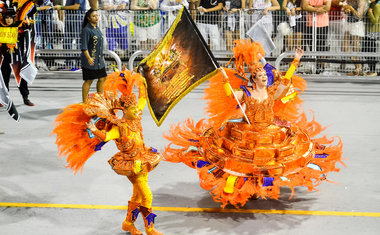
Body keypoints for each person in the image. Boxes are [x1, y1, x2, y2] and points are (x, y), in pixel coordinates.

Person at [163, 39, 343, 208]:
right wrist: (225, 77)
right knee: (244, 164)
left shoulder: (272, 92)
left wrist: (296, 60)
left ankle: (259, 188)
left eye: (265, 75)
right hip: (248, 132)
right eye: (260, 75)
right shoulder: (246, 93)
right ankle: (250, 190)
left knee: (270, 161)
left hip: (269, 131)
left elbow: (286, 81)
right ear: (254, 79)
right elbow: (229, 94)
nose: (264, 77)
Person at [53, 70, 163, 235]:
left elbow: (142, 100)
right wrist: (93, 130)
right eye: (134, 110)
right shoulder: (119, 127)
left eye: (137, 110)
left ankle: (128, 224)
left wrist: (142, 81)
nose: (138, 111)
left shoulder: (136, 118)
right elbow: (107, 135)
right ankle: (150, 228)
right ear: (125, 110)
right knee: (147, 196)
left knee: (137, 197)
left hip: (143, 159)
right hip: (131, 164)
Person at [0, 10, 35, 106]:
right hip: (5, 58)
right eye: (7, 18)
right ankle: (3, 99)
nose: (8, 20)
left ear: (14, 18)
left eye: (10, 18)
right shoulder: (1, 27)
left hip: (16, 57)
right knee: (3, 79)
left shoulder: (19, 27)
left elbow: (29, 28)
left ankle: (25, 98)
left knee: (21, 78)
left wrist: (27, 24)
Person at [80, 9, 107, 103]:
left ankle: (100, 99)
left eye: (97, 16)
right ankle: (84, 102)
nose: (96, 18)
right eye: (93, 16)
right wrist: (88, 58)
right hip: (90, 60)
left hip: (99, 60)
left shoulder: (97, 28)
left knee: (102, 78)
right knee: (89, 80)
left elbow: (100, 45)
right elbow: (84, 47)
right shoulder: (86, 30)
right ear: (88, 18)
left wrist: (102, 57)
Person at [54, 0, 86, 69]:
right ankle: (68, 63)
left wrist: (61, 7)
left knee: (79, 41)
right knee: (66, 40)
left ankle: (79, 64)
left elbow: (76, 6)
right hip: (69, 17)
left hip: (77, 17)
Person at [302, 0, 331, 74]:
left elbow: (327, 7)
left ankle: (321, 67)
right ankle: (316, 66)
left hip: (323, 24)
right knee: (311, 47)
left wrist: (311, 7)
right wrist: (318, 9)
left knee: (321, 47)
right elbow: (304, 6)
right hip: (310, 24)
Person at [341, 0, 367, 76]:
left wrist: (351, 8)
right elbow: (346, 11)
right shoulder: (349, 1)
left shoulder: (361, 1)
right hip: (348, 24)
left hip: (357, 25)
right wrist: (346, 10)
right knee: (345, 47)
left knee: (356, 49)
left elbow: (359, 15)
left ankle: (357, 69)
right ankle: (358, 67)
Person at [362, 0, 379, 76]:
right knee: (365, 50)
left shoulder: (377, 6)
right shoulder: (371, 4)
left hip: (373, 32)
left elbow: (375, 21)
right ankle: (370, 69)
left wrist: (370, 12)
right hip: (367, 31)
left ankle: (373, 70)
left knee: (371, 51)